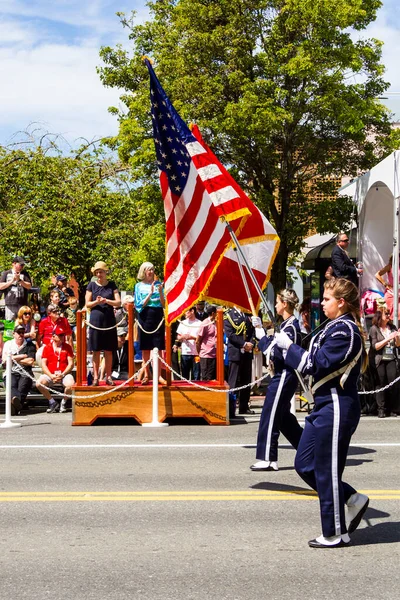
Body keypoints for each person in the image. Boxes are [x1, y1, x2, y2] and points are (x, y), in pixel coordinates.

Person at [275, 278, 369, 548]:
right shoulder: (331, 328)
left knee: (326, 470)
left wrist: (289, 347)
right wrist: (278, 344)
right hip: (323, 406)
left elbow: (316, 364)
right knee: (304, 464)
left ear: (341, 303)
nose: (321, 303)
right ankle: (352, 498)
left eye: (327, 299)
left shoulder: (345, 331)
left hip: (337, 405)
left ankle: (335, 532)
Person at [251, 289, 303, 472]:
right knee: (283, 419)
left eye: (278, 301)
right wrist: (262, 333)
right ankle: (309, 450)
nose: (275, 304)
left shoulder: (291, 327)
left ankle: (268, 458)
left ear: (285, 304)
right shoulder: (286, 325)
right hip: (281, 375)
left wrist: (262, 337)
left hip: (284, 374)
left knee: (270, 414)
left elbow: (277, 355)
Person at [85, 261, 121, 386]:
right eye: (97, 272)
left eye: (101, 272)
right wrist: (96, 302)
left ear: (106, 272)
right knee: (95, 350)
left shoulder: (111, 285)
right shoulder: (91, 285)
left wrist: (107, 301)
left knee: (109, 350)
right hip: (96, 319)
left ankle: (109, 376)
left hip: (109, 320)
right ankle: (95, 377)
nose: (99, 274)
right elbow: (87, 304)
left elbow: (118, 302)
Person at [134, 262, 165, 385]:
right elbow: (139, 304)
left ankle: (158, 376)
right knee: (146, 347)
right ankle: (147, 375)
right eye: (148, 270)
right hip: (145, 315)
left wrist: (160, 291)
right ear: (143, 272)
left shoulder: (158, 284)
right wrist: (150, 293)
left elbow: (163, 303)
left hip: (157, 315)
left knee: (158, 347)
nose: (151, 272)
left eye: (152, 269)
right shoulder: (138, 286)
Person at [368, 309, 400, 418]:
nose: (388, 315)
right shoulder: (374, 329)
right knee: (380, 383)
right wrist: (388, 339)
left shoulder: (392, 328)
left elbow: (397, 345)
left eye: (388, 313)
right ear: (379, 316)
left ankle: (393, 409)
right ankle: (381, 409)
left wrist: (396, 337)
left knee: (393, 383)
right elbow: (375, 346)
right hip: (379, 359)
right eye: (385, 314)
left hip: (391, 358)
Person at [224, 306, 255, 418]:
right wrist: (243, 344)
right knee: (234, 380)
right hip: (236, 351)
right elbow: (230, 334)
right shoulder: (229, 315)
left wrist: (251, 344)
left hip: (247, 352)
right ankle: (231, 407)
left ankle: (244, 406)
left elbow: (252, 332)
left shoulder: (247, 314)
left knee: (246, 380)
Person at [36, 325, 75, 413]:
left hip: (64, 373)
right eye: (60, 335)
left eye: (62, 335)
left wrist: (63, 374)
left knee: (71, 384)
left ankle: (64, 402)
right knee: (39, 383)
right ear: (53, 336)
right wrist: (51, 375)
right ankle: (52, 402)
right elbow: (43, 364)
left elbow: (71, 363)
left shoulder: (67, 347)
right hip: (51, 373)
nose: (62, 337)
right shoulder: (47, 347)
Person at [2, 324, 36, 414]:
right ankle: (16, 406)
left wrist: (13, 358)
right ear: (13, 334)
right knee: (11, 384)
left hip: (25, 373)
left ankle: (13, 407)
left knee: (22, 388)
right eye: (18, 332)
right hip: (11, 371)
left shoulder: (30, 345)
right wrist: (21, 356)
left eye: (22, 332)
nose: (21, 334)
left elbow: (30, 361)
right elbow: (5, 360)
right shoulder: (8, 344)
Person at [0, 256, 32, 321]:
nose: (22, 267)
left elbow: (29, 286)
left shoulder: (25, 274)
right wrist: (12, 281)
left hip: (22, 304)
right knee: (10, 324)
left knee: (22, 323)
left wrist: (20, 280)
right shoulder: (6, 273)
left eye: (23, 265)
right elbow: (1, 286)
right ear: (14, 264)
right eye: (21, 265)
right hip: (10, 304)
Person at [177, 307, 202, 380]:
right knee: (185, 375)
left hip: (196, 353)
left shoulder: (199, 323)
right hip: (185, 352)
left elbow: (200, 338)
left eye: (187, 311)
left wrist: (192, 337)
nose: (185, 313)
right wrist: (182, 337)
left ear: (192, 311)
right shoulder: (183, 322)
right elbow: (178, 336)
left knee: (196, 375)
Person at [196, 305, 217, 380]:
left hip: (214, 354)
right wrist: (199, 353)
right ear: (213, 313)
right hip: (206, 355)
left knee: (212, 377)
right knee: (205, 377)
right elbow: (198, 340)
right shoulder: (205, 323)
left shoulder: (216, 323)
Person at [375, 255, 399, 319]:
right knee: (391, 315)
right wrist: (385, 284)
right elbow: (377, 275)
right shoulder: (390, 266)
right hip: (392, 293)